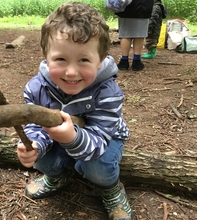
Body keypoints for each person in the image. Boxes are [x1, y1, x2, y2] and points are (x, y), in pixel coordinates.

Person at [16, 2, 133, 220]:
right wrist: (33, 145)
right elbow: (33, 125)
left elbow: (99, 139)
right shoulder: (36, 88)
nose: (71, 72)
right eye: (61, 59)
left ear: (100, 60)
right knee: (41, 160)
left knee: (98, 168)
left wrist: (71, 138)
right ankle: (56, 177)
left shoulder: (109, 93)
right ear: (46, 55)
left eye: (84, 60)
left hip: (104, 139)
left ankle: (111, 189)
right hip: (62, 137)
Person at [115, 0, 154, 71]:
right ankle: (136, 62)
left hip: (127, 6)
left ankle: (124, 61)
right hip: (144, 6)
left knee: (125, 34)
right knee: (140, 34)